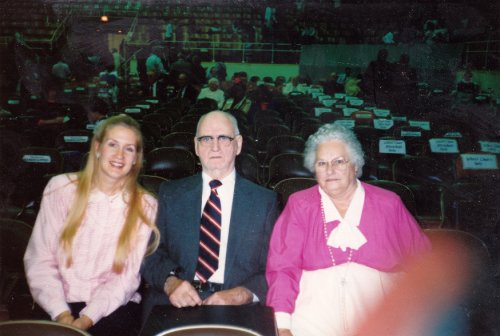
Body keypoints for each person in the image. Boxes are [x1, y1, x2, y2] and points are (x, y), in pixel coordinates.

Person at [266, 124, 431, 336]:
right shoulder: (300, 205)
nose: (330, 170)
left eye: (339, 162)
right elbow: (283, 268)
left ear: (355, 165)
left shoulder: (388, 204)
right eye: (322, 163)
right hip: (312, 318)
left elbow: (422, 262)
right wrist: (283, 325)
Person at [24, 115, 160, 336]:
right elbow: (40, 260)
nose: (119, 155)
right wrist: (62, 314)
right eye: (112, 144)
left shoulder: (145, 205)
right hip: (56, 301)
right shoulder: (60, 188)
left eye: (129, 149)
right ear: (97, 147)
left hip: (111, 306)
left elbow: (125, 278)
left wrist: (86, 320)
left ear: (136, 158)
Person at [141, 111, 279, 320]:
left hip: (238, 308)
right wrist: (171, 283)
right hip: (174, 303)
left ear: (238, 144)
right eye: (206, 139)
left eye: (223, 138)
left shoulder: (264, 201)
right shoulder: (170, 193)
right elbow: (150, 254)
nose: (215, 147)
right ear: (196, 146)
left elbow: (276, 266)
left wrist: (242, 294)